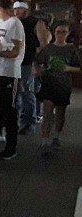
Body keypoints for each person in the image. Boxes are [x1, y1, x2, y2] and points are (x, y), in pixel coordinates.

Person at [33, 20, 81, 156]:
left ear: (68, 33)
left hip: (63, 85)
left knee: (60, 113)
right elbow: (37, 62)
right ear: (54, 33)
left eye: (64, 32)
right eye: (58, 32)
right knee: (47, 112)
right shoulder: (48, 48)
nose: (60, 35)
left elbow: (79, 67)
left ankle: (57, 137)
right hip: (49, 84)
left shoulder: (71, 49)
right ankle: (44, 141)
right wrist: (37, 70)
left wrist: (68, 68)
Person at [0, 0, 25, 160]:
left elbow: (16, 51)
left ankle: (11, 146)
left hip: (10, 73)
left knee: (8, 110)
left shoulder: (15, 23)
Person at [13, 0, 46, 134]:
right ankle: (16, 121)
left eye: (18, 9)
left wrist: (36, 62)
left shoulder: (35, 23)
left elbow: (42, 45)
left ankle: (29, 123)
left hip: (28, 62)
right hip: (15, 62)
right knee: (15, 94)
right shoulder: (14, 22)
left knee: (27, 92)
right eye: (14, 10)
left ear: (25, 10)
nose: (16, 12)